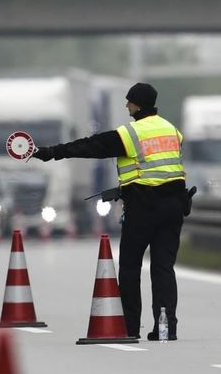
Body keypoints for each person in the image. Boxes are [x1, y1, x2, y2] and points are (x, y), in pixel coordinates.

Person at [32, 82, 188, 340]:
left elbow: (91, 146)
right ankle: (165, 327)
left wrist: (52, 153)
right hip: (173, 207)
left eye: (129, 101)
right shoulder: (172, 131)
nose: (126, 105)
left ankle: (129, 327)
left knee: (129, 266)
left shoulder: (130, 133)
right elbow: (161, 168)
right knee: (163, 268)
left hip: (143, 207)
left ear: (137, 104)